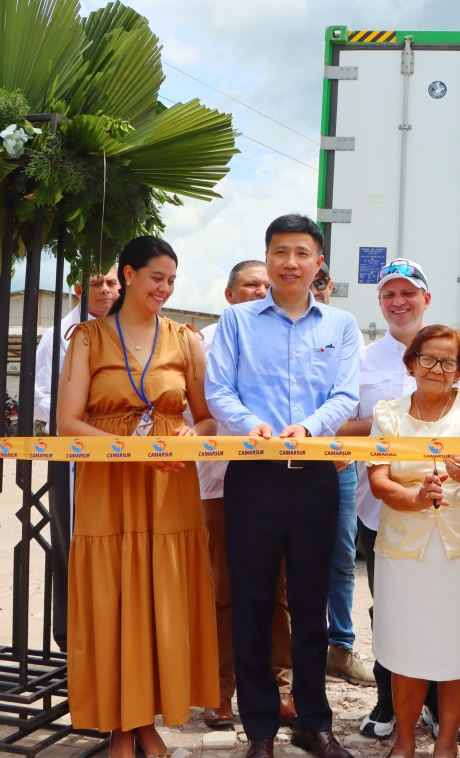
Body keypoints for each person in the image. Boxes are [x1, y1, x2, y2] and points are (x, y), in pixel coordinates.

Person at [58, 237, 219, 758]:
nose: (165, 289)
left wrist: (193, 434)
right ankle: (120, 727)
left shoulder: (186, 340)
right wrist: (134, 452)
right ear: (128, 274)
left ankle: (146, 722)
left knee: (160, 596)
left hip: (169, 480)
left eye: (171, 280)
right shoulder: (87, 337)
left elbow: (207, 418)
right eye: (156, 278)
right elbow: (68, 424)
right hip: (109, 479)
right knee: (113, 596)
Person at [208, 214, 361, 758]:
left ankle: (314, 722)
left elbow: (345, 395)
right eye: (279, 252)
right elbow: (218, 390)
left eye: (301, 253)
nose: (290, 263)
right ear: (268, 257)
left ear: (318, 263)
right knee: (251, 603)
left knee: (311, 605)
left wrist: (311, 428)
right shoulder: (237, 321)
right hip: (253, 475)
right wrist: (253, 426)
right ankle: (260, 730)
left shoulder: (341, 324)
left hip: (316, 476)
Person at [344, 259, 460, 741]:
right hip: (390, 525)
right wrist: (410, 492)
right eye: (390, 293)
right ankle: (393, 717)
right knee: (397, 627)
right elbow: (357, 444)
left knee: (455, 635)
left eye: (408, 292)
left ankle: (442, 724)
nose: (399, 302)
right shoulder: (365, 367)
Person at [367, 324, 460, 758]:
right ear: (411, 363)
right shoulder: (388, 414)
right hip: (405, 548)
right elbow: (378, 480)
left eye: (448, 362)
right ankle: (404, 742)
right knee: (406, 646)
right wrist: (415, 498)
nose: (437, 368)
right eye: (428, 358)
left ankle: (446, 743)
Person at [198, 261, 297, 727]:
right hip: (218, 481)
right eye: (250, 285)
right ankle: (220, 689)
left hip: (273, 479)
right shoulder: (203, 341)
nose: (260, 291)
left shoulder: (284, 336)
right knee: (223, 590)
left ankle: (279, 686)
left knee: (276, 589)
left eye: (265, 285)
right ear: (229, 294)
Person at [33, 267, 119, 653]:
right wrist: (80, 414)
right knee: (72, 544)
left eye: (113, 283)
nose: (106, 290)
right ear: (80, 289)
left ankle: (113, 640)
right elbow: (38, 396)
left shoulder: (126, 331)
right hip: (72, 453)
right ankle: (72, 641)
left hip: (118, 452)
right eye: (98, 283)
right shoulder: (59, 335)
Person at [311, 263, 375, 686]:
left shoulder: (348, 332)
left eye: (320, 281)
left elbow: (357, 407)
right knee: (291, 561)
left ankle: (341, 646)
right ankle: (299, 649)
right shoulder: (278, 331)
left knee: (340, 559)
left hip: (338, 463)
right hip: (286, 458)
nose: (314, 288)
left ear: (330, 285)